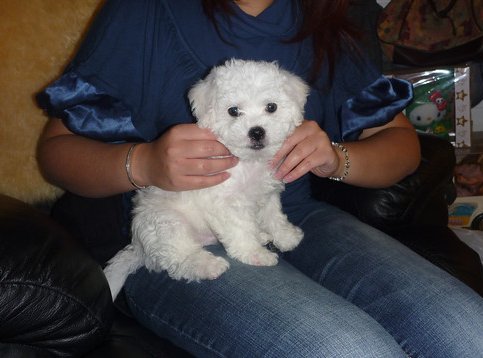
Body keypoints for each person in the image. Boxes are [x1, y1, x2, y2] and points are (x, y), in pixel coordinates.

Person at [37, 0, 483, 357]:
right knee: (346, 349)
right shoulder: (143, 11)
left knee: (469, 331)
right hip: (178, 231)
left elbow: (401, 146)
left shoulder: (332, 15)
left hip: (296, 213)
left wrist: (335, 159)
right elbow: (55, 151)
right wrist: (144, 164)